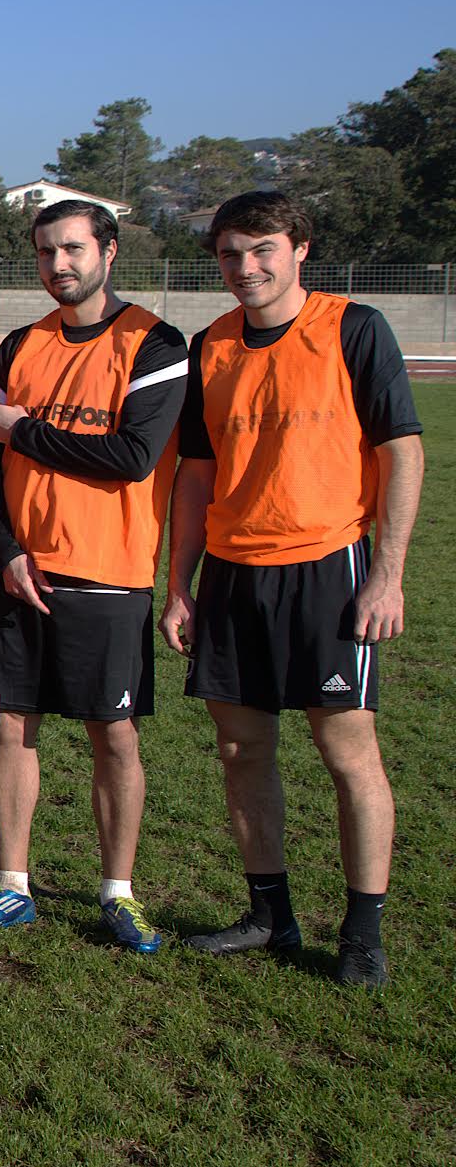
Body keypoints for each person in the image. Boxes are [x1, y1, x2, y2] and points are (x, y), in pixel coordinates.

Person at [160, 192, 422, 988]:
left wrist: (387, 574)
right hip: (233, 574)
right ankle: (269, 913)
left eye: (262, 249)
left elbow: (402, 451)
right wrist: (179, 587)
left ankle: (363, 931)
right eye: (231, 254)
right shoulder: (212, 345)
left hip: (327, 569)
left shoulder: (354, 327)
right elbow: (197, 475)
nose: (246, 267)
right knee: (242, 749)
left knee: (348, 752)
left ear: (300, 248)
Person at [0, 201, 186, 952]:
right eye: (45, 252)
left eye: (73, 249)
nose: (59, 264)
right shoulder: (19, 346)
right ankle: (13, 885)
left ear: (108, 251)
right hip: (19, 574)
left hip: (108, 577)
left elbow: (132, 457)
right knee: (10, 728)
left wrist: (25, 429)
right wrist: (7, 553)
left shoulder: (154, 342)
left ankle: (119, 892)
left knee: (112, 734)